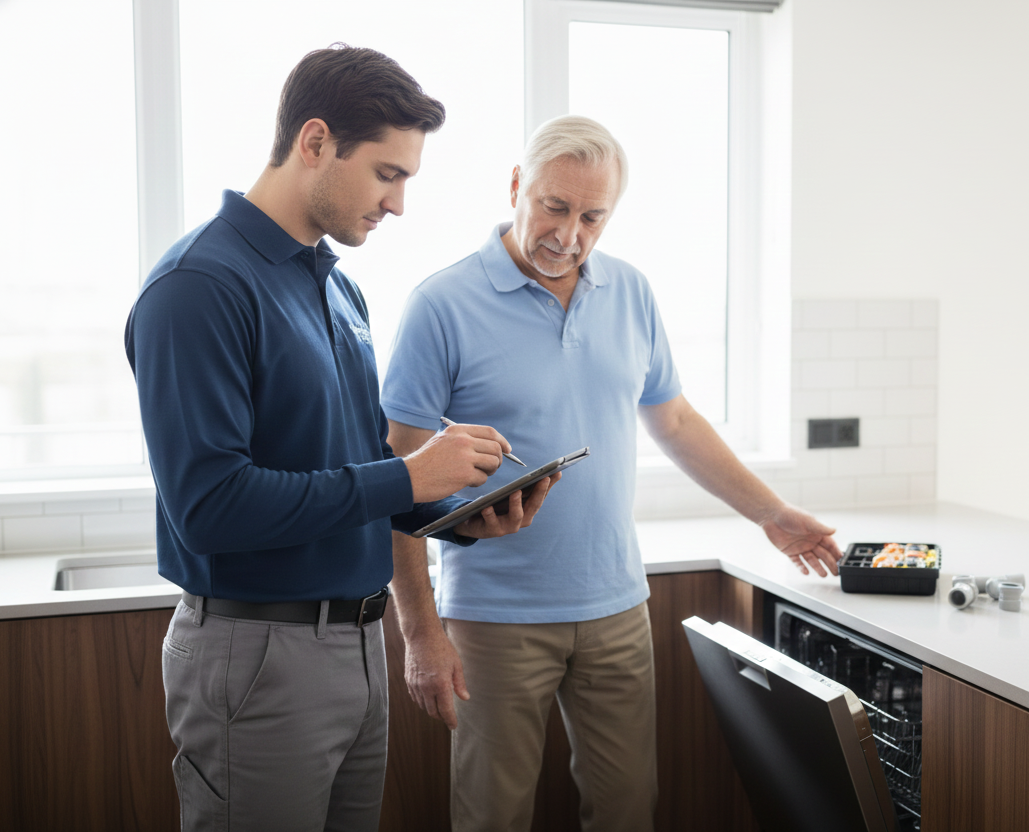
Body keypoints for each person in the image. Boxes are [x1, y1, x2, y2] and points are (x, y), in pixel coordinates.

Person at [124, 45, 556, 832]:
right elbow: (211, 507)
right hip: (256, 654)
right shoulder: (198, 288)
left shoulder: (336, 285)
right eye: (387, 174)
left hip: (357, 646)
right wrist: (409, 480)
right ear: (315, 141)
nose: (397, 205)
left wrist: (457, 515)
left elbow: (353, 472)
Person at [380, 115, 844, 832]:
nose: (570, 236)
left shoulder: (630, 292)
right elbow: (397, 478)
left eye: (593, 216)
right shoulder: (441, 304)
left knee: (628, 811)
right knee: (491, 817)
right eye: (554, 207)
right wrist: (419, 635)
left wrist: (772, 515)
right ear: (515, 187)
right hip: (493, 618)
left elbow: (677, 423)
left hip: (617, 607)